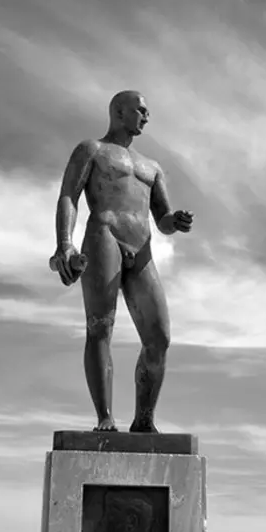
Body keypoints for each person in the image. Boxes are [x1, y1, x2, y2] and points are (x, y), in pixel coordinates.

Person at [50, 90, 193, 432]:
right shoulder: (92, 150)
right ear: (119, 111)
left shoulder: (152, 167)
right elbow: (69, 194)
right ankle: (105, 420)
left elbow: (162, 218)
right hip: (105, 235)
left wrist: (175, 220)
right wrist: (65, 244)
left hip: (142, 246)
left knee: (159, 338)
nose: (146, 116)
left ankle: (144, 422)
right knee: (100, 327)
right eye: (141, 110)